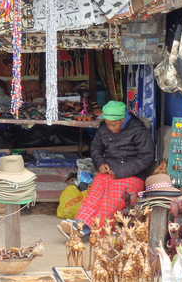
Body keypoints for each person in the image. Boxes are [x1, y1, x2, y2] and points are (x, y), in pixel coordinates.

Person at [58, 100, 154, 238]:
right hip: (109, 171)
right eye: (108, 124)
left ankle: (90, 229)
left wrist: (120, 171)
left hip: (132, 175)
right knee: (94, 194)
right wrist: (100, 163)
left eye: (113, 124)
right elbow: (96, 148)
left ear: (122, 119)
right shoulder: (104, 128)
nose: (110, 128)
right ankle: (79, 223)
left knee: (112, 199)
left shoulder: (138, 130)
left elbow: (146, 157)